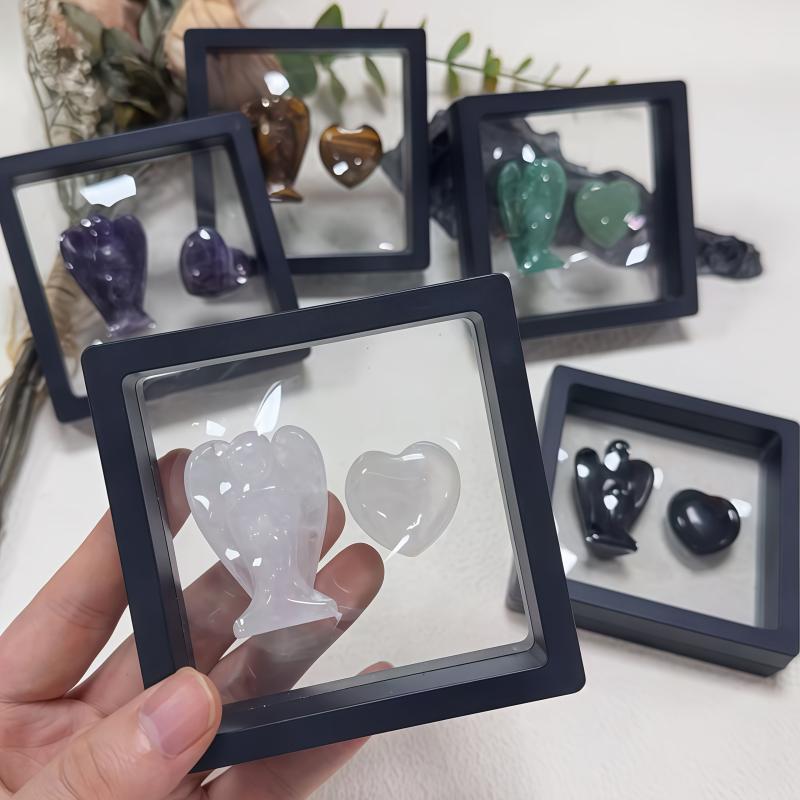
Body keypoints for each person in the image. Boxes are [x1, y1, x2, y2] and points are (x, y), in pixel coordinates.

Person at [0, 450, 385, 798]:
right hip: (266, 590)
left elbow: (295, 531)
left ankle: (290, 595)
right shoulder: (237, 502)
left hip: (290, 582)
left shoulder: (280, 490)